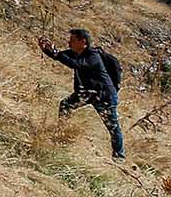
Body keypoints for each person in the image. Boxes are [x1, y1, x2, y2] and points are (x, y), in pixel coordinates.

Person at [38, 28, 125, 160]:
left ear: (82, 41)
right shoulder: (76, 53)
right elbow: (60, 56)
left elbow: (75, 64)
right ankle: (61, 133)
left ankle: (119, 157)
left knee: (112, 127)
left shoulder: (93, 56)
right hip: (87, 93)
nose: (69, 42)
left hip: (103, 95)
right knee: (65, 105)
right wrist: (47, 49)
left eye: (72, 40)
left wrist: (56, 51)